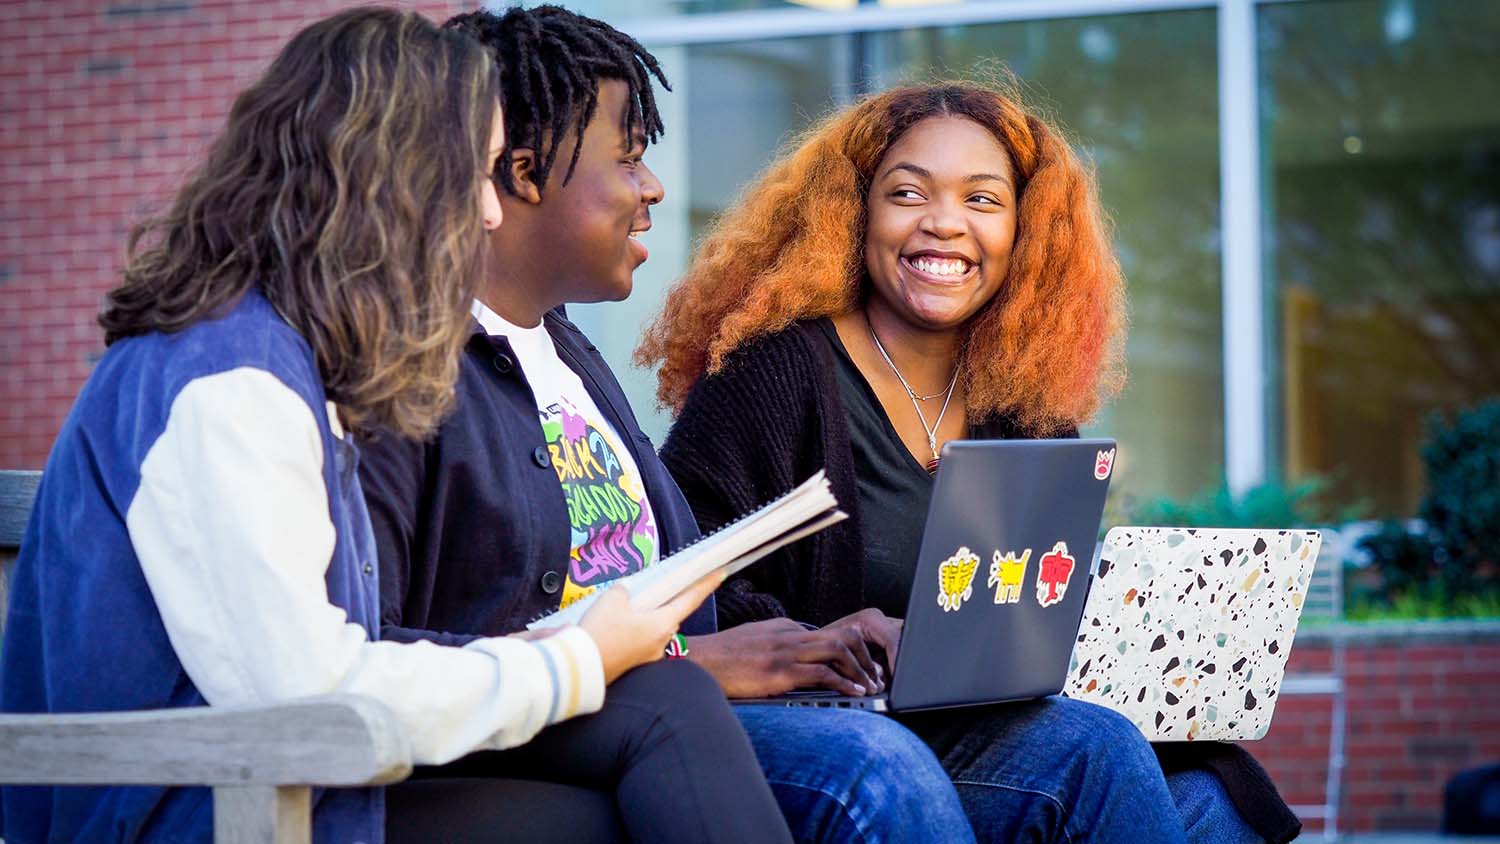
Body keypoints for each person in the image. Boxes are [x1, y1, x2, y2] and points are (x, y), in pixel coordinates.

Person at [0, 9, 784, 844]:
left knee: (642, 744)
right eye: (480, 175)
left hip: (272, 785)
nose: (491, 214)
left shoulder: (291, 355)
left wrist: (591, 654)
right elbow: (304, 693)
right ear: (390, 178)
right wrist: (576, 659)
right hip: (185, 807)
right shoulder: (225, 379)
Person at [357, 7, 973, 843]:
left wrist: (800, 643)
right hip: (568, 729)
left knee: (1092, 754)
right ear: (526, 172)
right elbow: (382, 650)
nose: (653, 190)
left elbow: (676, 602)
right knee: (874, 772)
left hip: (678, 711)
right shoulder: (402, 365)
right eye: (630, 158)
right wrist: (683, 665)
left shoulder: (568, 355)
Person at [641, 81, 1301, 844]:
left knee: (1210, 802)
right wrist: (833, 640)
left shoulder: (1029, 406)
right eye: (907, 193)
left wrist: (1144, 641)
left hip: (995, 734)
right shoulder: (776, 373)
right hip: (830, 735)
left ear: (1024, 231)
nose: (944, 224)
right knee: (1091, 756)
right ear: (855, 215)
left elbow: (1037, 609)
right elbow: (682, 588)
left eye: (983, 201)